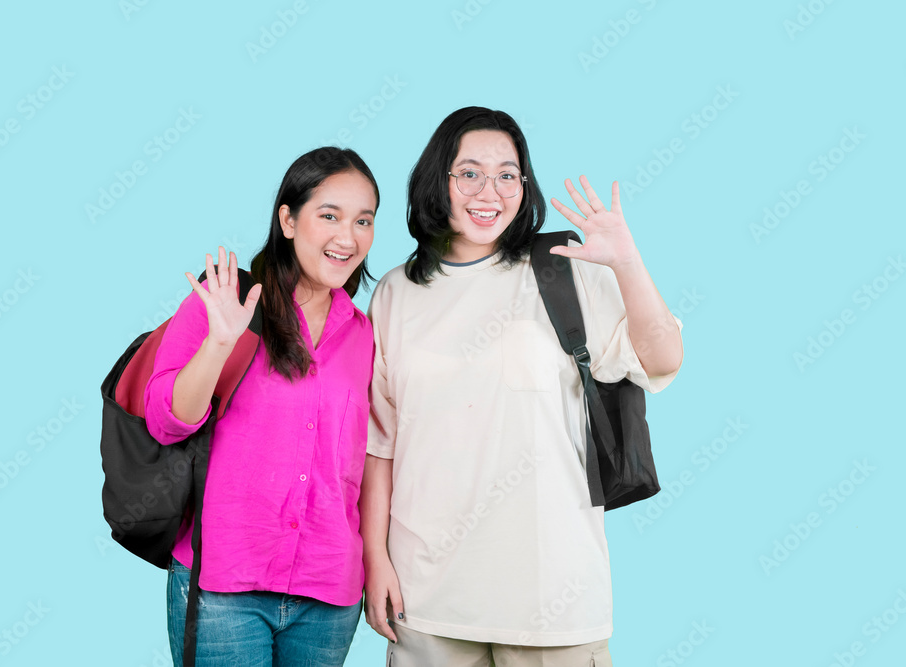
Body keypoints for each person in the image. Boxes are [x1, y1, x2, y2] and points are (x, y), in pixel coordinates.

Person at [361, 107, 684, 666]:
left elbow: (662, 358)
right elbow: (380, 445)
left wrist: (627, 262)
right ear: (438, 180)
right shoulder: (396, 292)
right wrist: (375, 559)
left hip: (554, 597)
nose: (489, 191)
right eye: (469, 173)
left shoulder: (566, 269)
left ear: (524, 185)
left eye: (507, 175)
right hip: (427, 599)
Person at [143, 146, 379, 666]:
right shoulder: (226, 302)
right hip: (224, 585)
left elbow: (366, 460)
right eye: (329, 216)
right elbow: (165, 422)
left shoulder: (363, 333)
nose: (348, 237)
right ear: (288, 220)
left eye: (363, 221)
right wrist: (218, 344)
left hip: (328, 593)